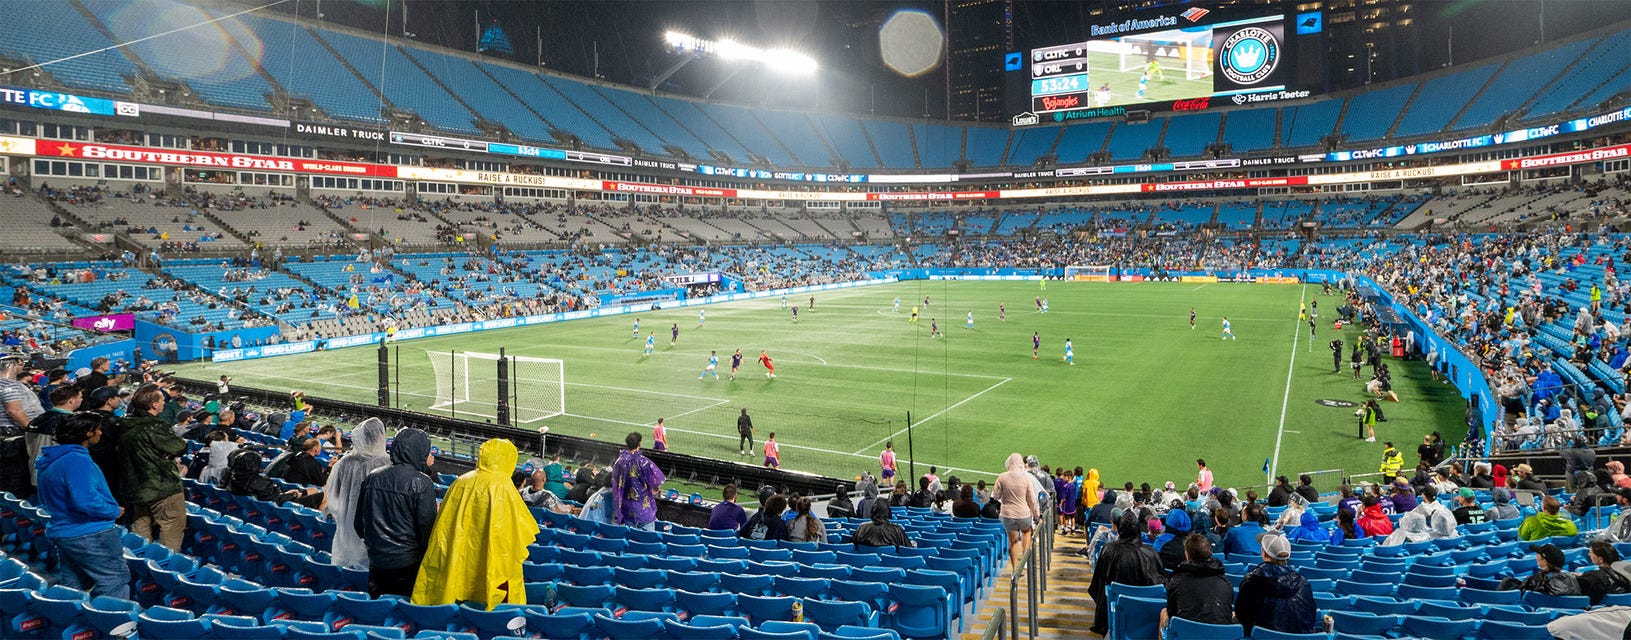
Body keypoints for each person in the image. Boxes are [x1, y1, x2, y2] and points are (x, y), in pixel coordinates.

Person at [412, 439, 536, 610]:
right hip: (493, 564)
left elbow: (443, 526)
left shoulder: (460, 482)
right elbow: (519, 533)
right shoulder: (505, 488)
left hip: (457, 559)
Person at [35, 414, 127, 599]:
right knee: (115, 578)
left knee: (73, 582)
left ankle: (74, 620)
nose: (101, 432)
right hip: (89, 532)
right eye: (98, 429)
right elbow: (86, 501)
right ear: (87, 433)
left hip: (64, 531)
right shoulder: (76, 461)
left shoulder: (51, 459)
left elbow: (45, 498)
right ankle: (110, 623)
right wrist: (114, 511)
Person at [356, 427, 437, 598]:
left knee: (380, 607)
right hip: (407, 564)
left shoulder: (373, 477)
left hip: (377, 560)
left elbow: (359, 524)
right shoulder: (422, 483)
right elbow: (426, 531)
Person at [118, 384, 188, 551]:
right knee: (171, 524)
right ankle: (164, 568)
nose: (164, 403)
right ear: (154, 404)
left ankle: (142, 562)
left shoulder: (124, 424)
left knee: (141, 524)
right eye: (162, 400)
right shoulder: (154, 426)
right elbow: (179, 446)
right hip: (160, 486)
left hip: (135, 486)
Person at [323, 419, 389, 570]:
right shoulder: (386, 464)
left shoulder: (344, 462)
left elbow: (333, 495)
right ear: (379, 436)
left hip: (345, 533)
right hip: (373, 534)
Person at [1088, 512, 1166, 635]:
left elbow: (1097, 584)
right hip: (1146, 619)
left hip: (1118, 614)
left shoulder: (1109, 549)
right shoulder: (1150, 553)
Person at [1235, 535, 1317, 635]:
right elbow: (1310, 616)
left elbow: (1242, 616)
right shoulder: (1304, 583)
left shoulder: (1252, 582)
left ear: (1264, 554)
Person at [1161, 534, 1233, 629]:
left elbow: (1171, 613)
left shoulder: (1176, 580)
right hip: (1220, 634)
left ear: (1187, 555)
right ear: (1210, 552)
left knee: (1163, 613)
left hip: (1187, 633)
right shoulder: (1225, 582)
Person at [994, 453, 1042, 574]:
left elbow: (996, 495)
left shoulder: (1002, 477)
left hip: (1007, 514)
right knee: (1026, 532)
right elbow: (1031, 499)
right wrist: (1036, 514)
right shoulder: (1026, 478)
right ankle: (1024, 561)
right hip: (1023, 513)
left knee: (1013, 540)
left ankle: (1015, 568)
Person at [609, 432, 666, 530]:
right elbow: (656, 481)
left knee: (631, 535)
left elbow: (615, 480)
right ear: (639, 443)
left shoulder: (619, 461)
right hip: (643, 507)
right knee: (647, 538)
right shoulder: (644, 462)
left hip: (626, 507)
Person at [1502, 543, 1581, 596]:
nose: (1536, 555)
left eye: (1538, 553)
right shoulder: (1574, 580)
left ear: (1544, 561)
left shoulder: (1534, 582)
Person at [1576, 541, 1631, 605]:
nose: (1589, 555)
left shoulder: (1593, 577)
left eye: (1591, 553)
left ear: (1600, 559)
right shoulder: (1627, 570)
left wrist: (1585, 576)